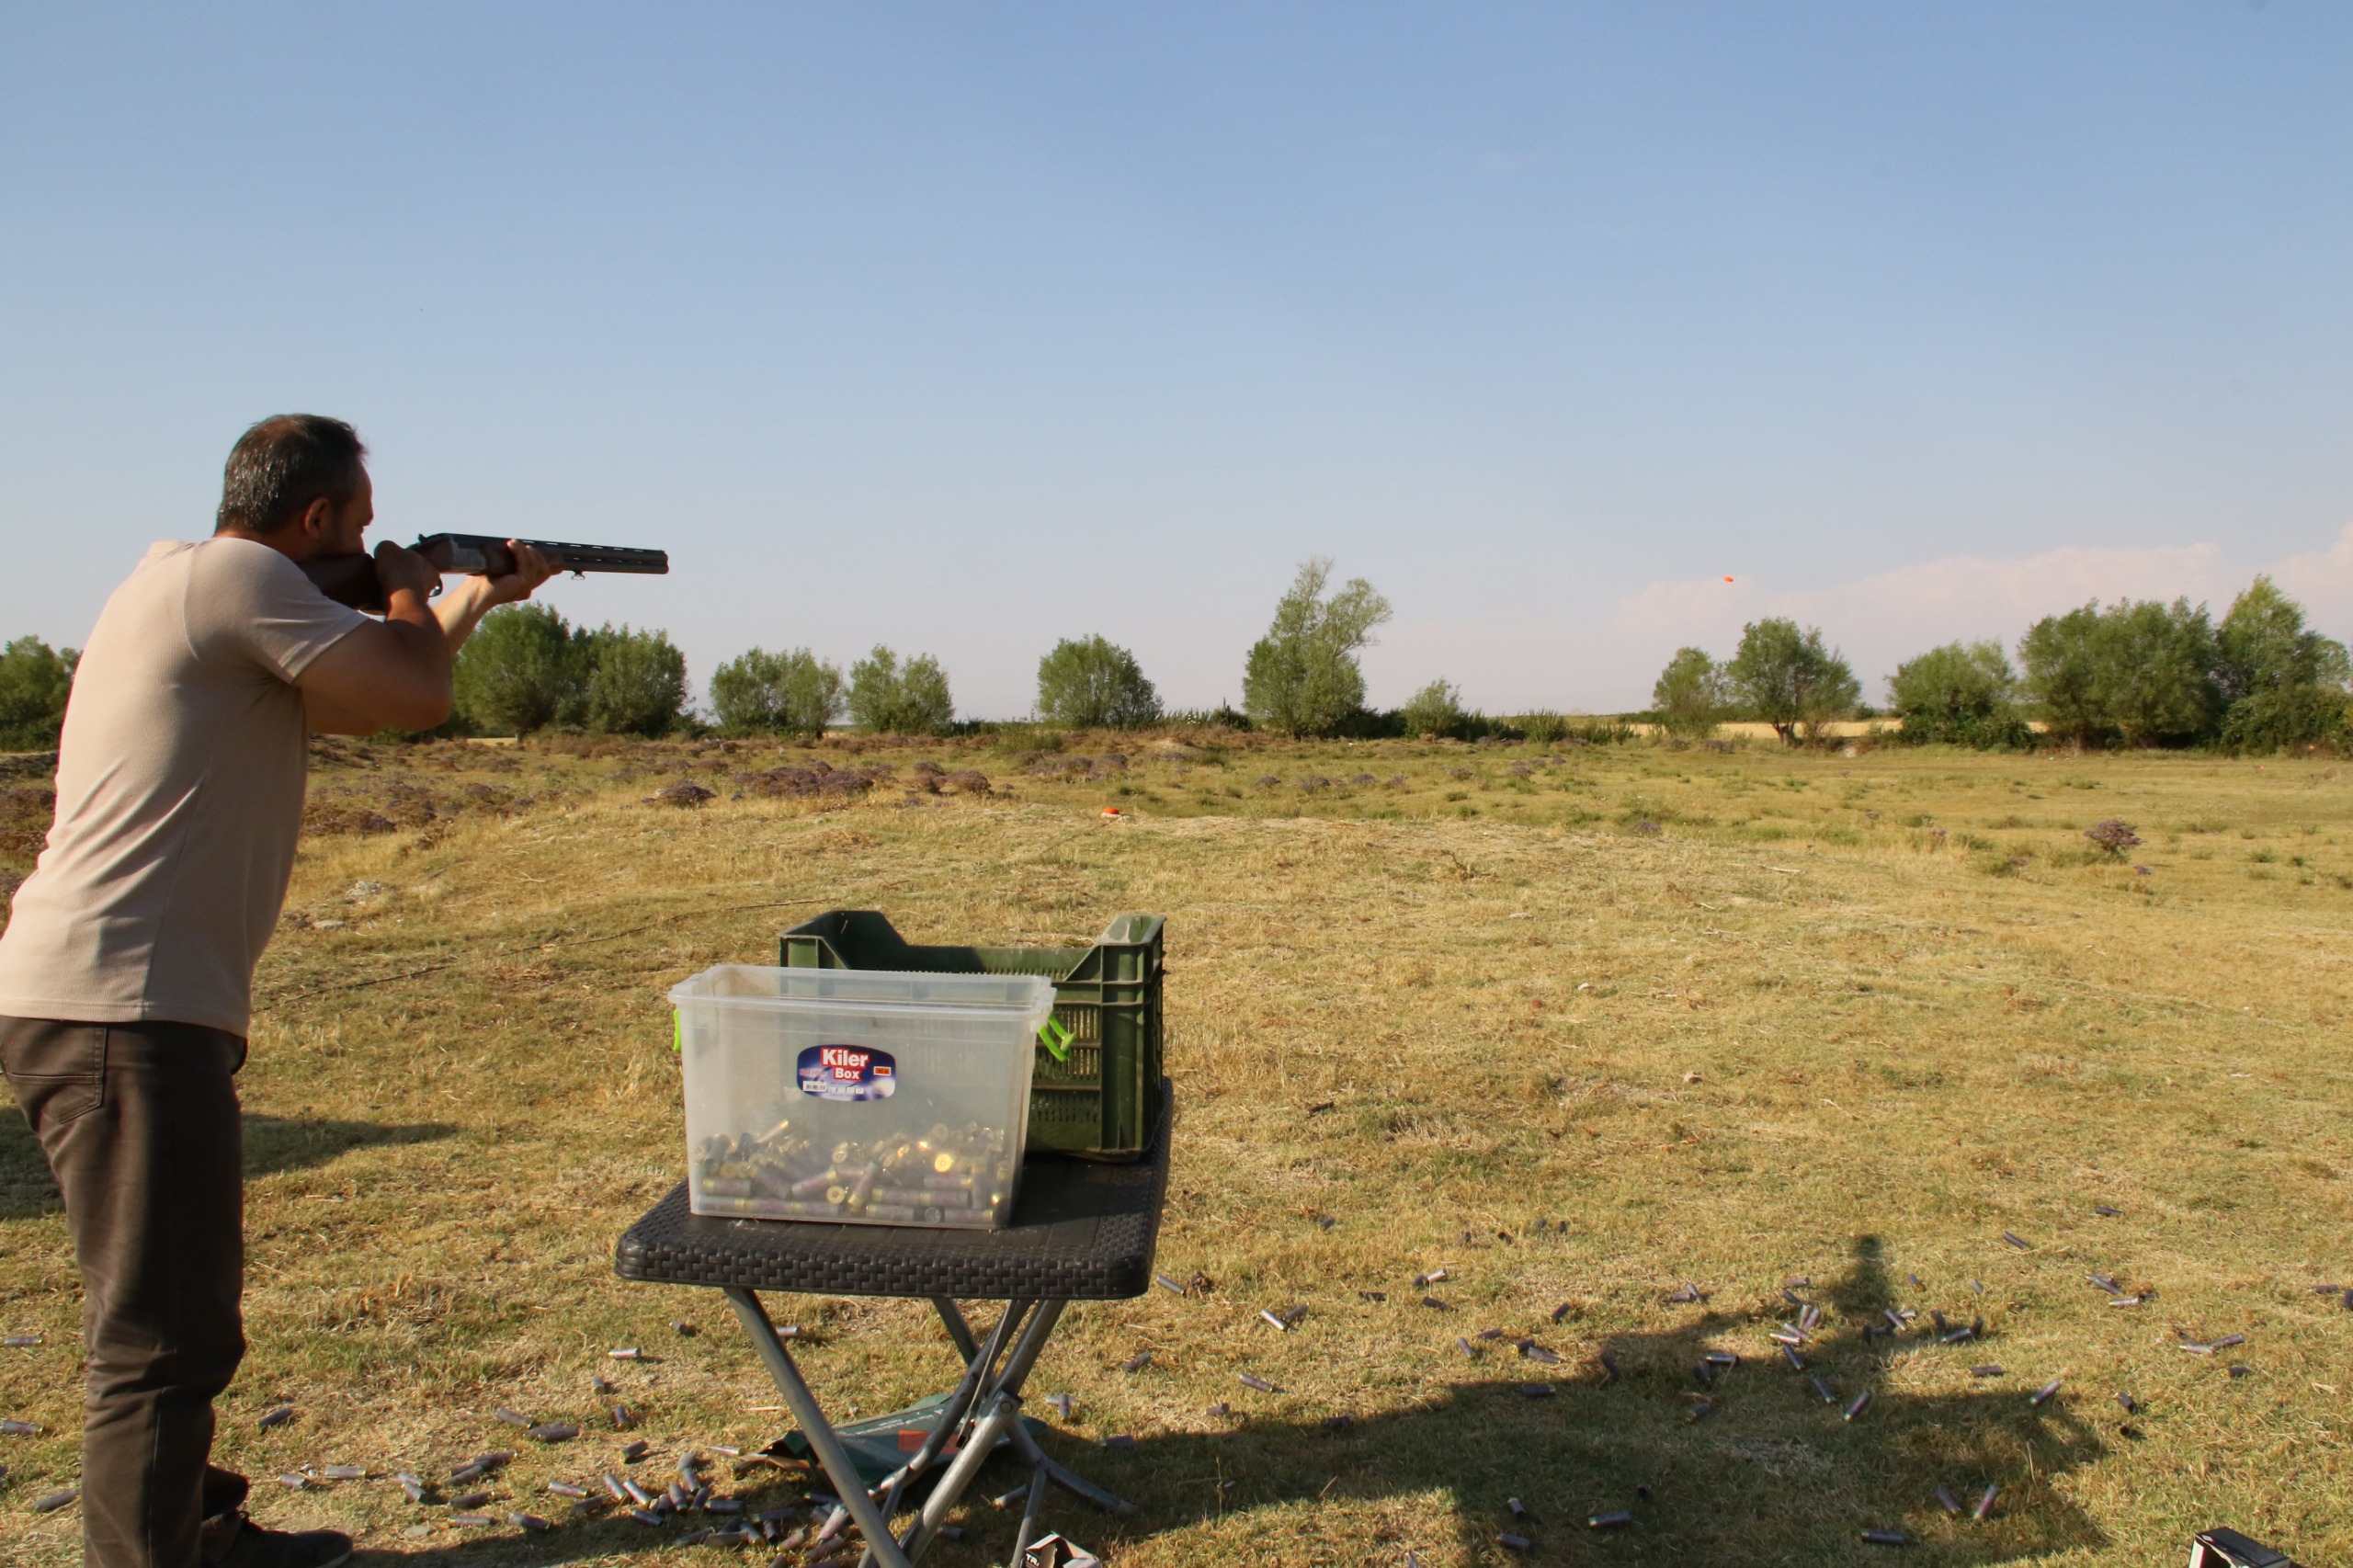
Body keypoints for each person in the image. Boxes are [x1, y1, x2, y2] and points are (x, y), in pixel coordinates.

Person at [0, 415, 558, 1568]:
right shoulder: (237, 576)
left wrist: (472, 599)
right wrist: (409, 585)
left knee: (170, 1304)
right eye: (358, 525)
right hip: (124, 1005)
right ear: (314, 520)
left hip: (113, 997)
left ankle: (193, 1533)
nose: (368, 542)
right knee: (160, 1336)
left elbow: (370, 693)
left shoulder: (196, 589)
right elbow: (413, 692)